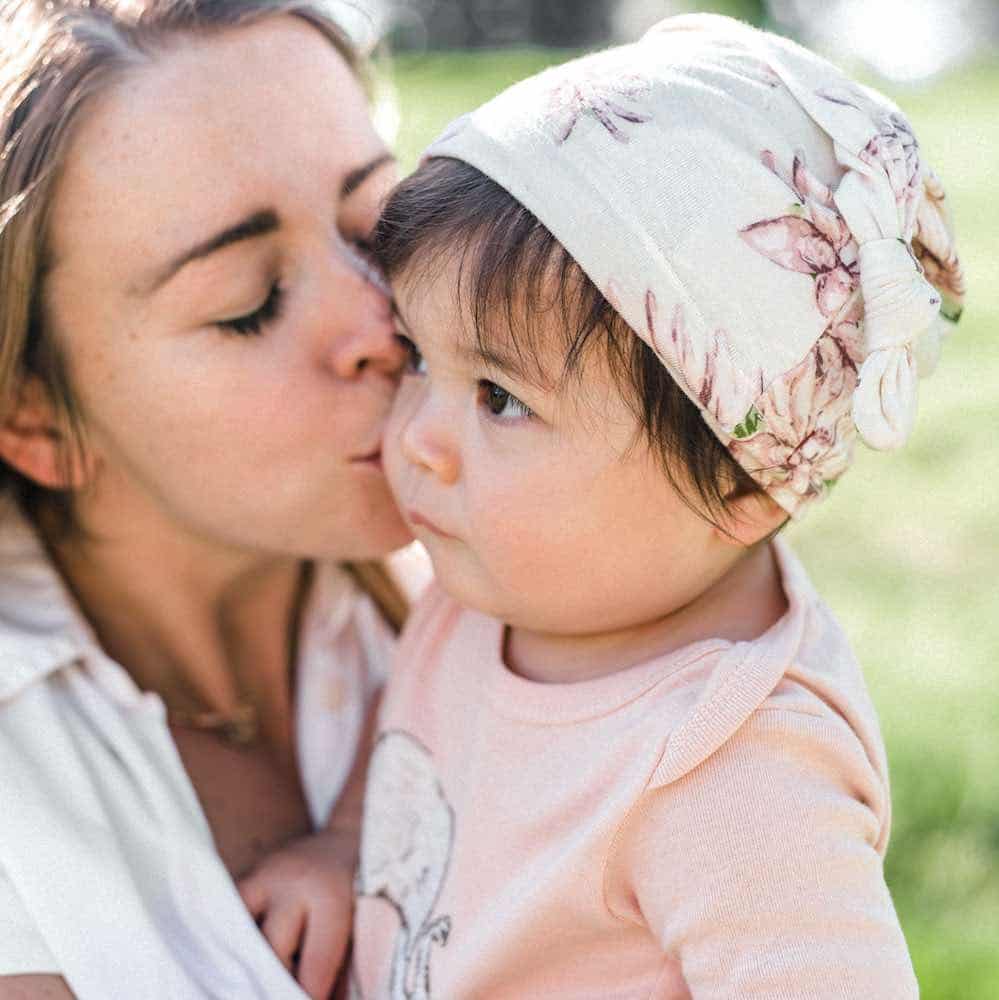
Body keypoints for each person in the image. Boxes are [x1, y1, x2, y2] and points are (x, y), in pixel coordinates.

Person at [345, 13, 965, 998]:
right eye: (420, 356)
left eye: (501, 397)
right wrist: (338, 861)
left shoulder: (737, 780)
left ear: (737, 487)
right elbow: (427, 777)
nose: (417, 432)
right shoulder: (493, 587)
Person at [0, 1, 425, 997]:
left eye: (378, 220)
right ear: (35, 419)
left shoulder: (544, 597)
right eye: (249, 302)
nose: (382, 320)